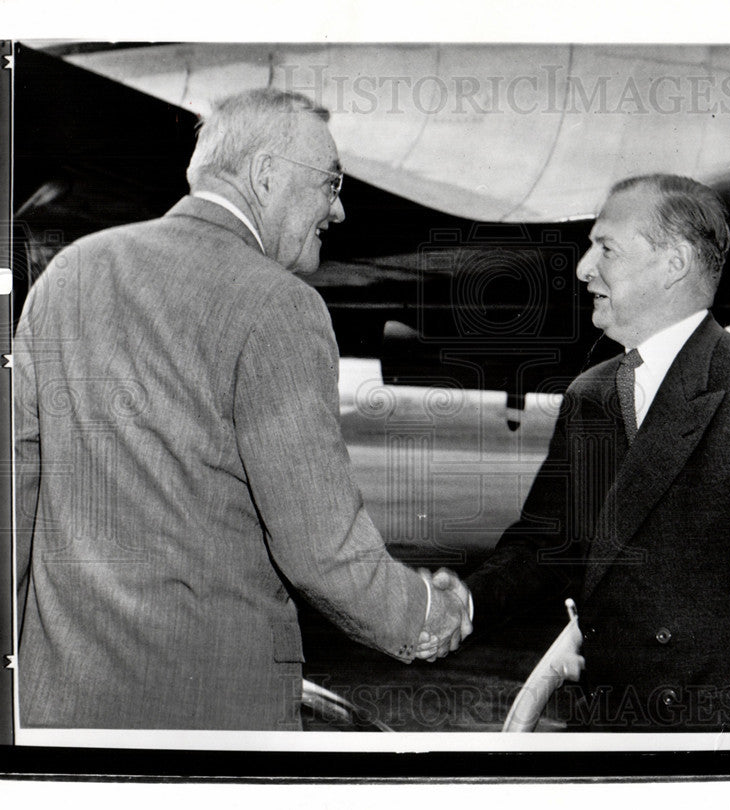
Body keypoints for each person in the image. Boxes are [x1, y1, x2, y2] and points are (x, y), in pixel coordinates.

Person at [14, 89, 470, 730]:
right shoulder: (279, 306)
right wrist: (424, 612)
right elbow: (321, 549)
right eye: (331, 182)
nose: (338, 209)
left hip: (61, 706)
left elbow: (15, 497)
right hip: (209, 719)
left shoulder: (68, 275)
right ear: (265, 175)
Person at [445, 174, 730, 732]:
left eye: (606, 248)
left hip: (727, 745)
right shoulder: (591, 395)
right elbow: (548, 547)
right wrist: (463, 602)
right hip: (613, 734)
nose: (584, 268)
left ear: (675, 264)